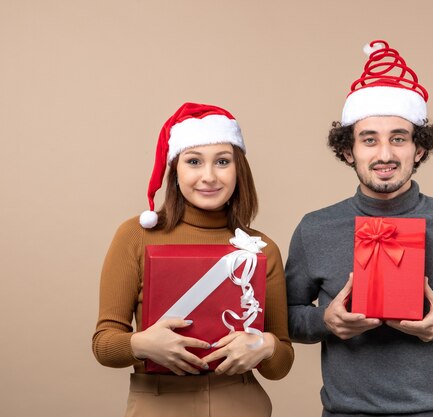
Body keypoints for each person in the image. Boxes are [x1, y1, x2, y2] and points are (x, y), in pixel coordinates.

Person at [285, 40, 433, 417]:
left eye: (399, 138)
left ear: (419, 149)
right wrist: (323, 321)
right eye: (369, 140)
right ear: (348, 151)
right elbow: (285, 318)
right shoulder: (315, 228)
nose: (385, 154)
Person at [92, 102, 294, 417]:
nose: (209, 176)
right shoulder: (135, 235)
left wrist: (264, 345)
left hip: (240, 401)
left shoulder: (260, 248)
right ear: (175, 170)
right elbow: (104, 344)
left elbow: (280, 363)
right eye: (194, 161)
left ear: (238, 169)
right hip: (157, 402)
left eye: (223, 161)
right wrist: (142, 345)